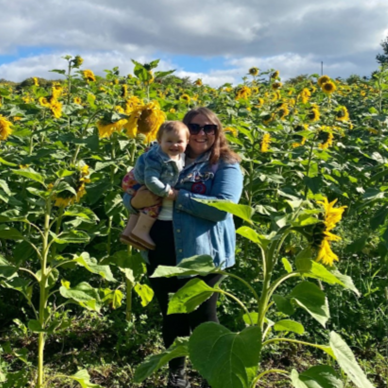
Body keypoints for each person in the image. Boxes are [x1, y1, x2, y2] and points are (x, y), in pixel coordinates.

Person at [123, 107, 243, 388]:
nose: (202, 133)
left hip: (204, 252)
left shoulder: (225, 165)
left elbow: (223, 208)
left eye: (209, 128)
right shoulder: (165, 156)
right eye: (195, 127)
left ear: (217, 132)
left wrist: (176, 195)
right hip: (161, 244)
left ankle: (210, 374)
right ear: (184, 131)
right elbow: (132, 193)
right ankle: (177, 375)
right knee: (171, 313)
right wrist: (133, 203)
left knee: (203, 317)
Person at [120, 121, 190, 250]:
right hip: (135, 182)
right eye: (169, 141)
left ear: (187, 142)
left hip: (138, 181)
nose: (174, 145)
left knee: (149, 198)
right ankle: (141, 231)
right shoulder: (156, 158)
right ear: (159, 141)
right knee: (154, 200)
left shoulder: (178, 156)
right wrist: (166, 192)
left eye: (179, 142)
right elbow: (151, 180)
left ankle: (128, 231)